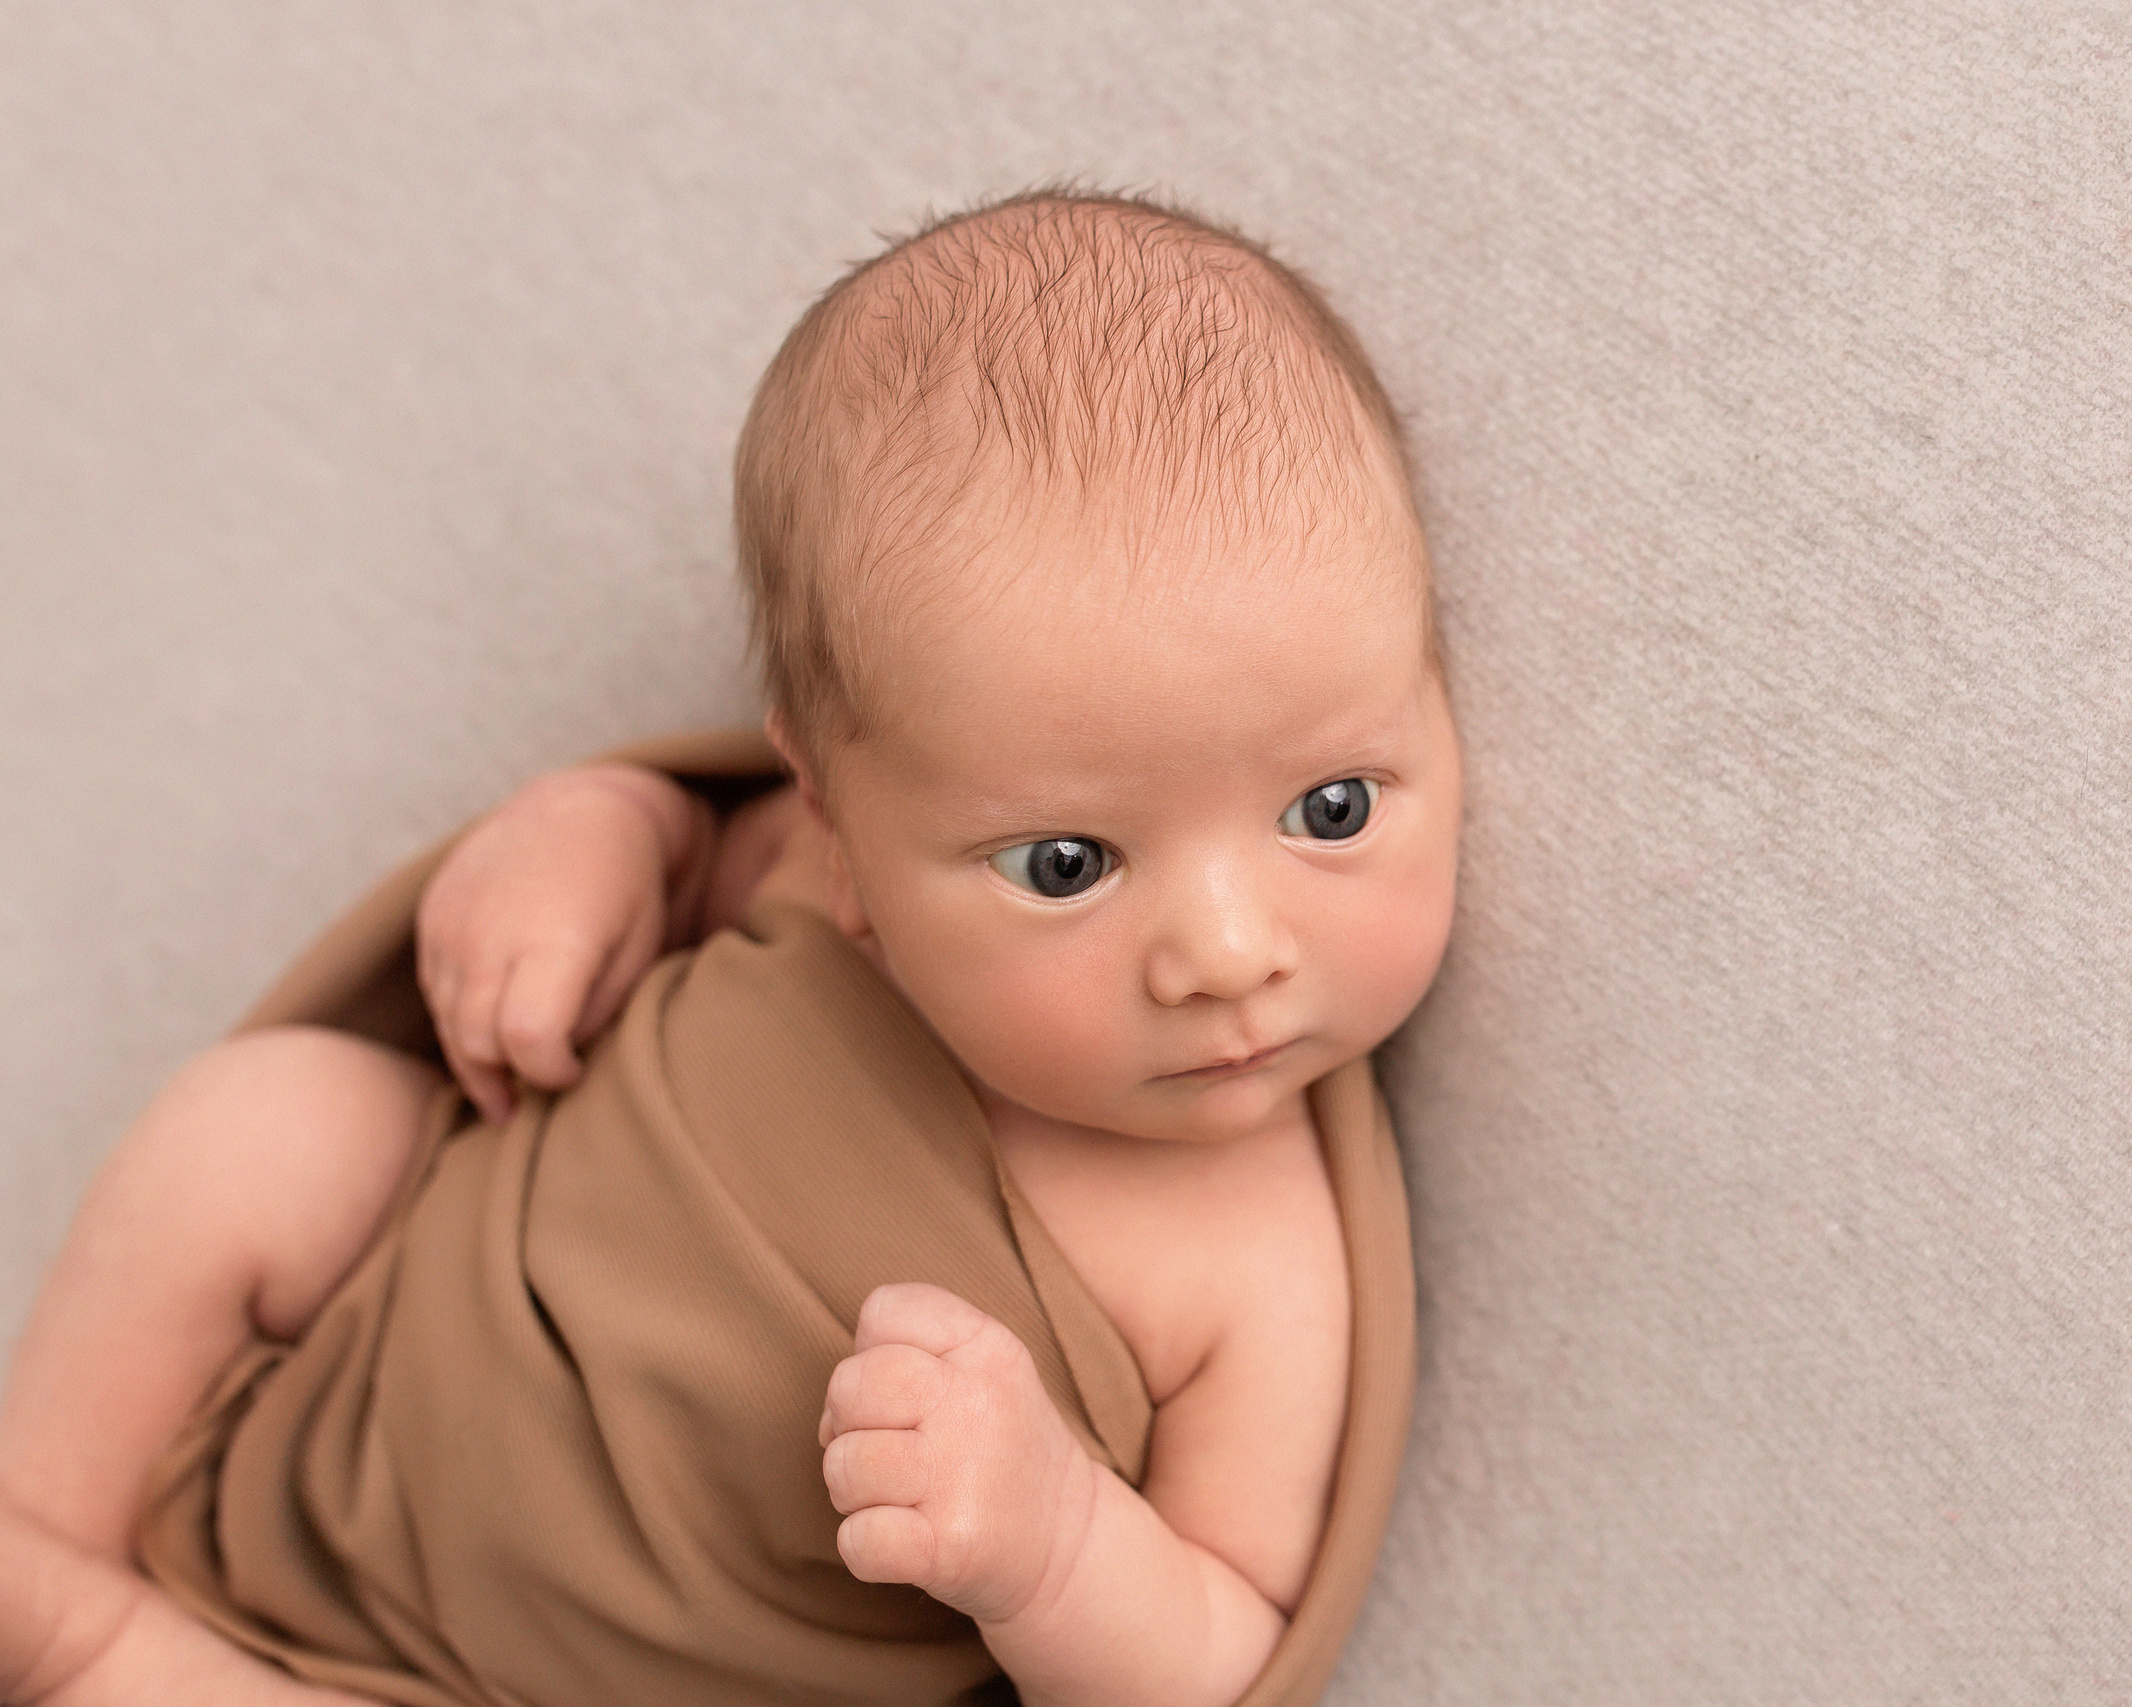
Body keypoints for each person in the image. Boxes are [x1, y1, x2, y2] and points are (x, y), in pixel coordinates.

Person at [0, 189, 1460, 1707]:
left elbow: (1224, 1644)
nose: (1227, 953)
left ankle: (94, 1649)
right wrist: (593, 833)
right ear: (840, 824)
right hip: (364, 1384)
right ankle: (45, 1523)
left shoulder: (1263, 1267)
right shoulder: (803, 867)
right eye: (1066, 865)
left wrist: (1054, 1545)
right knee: (271, 1124)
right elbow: (686, 843)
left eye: (1333, 808)